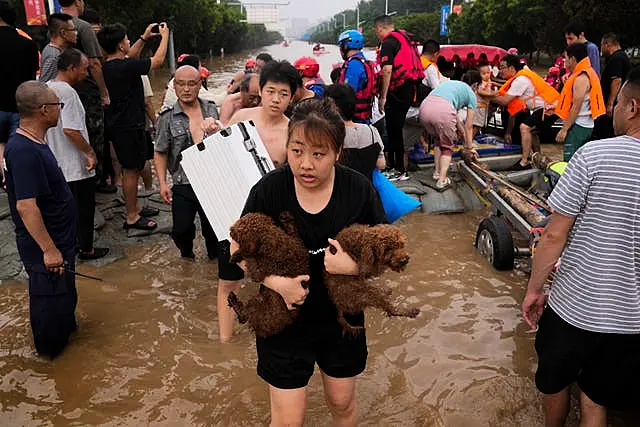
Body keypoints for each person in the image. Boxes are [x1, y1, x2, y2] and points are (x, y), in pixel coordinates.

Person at [230, 98, 387, 425]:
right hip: (282, 319)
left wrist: (354, 267)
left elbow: (385, 253)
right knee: (288, 420)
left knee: (342, 404)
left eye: (319, 154)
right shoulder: (269, 190)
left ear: (337, 153)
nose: (306, 164)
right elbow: (236, 249)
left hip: (342, 319)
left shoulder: (357, 190)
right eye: (297, 150)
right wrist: (276, 284)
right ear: (286, 145)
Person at [522, 66, 640, 427]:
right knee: (595, 398)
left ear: (632, 107)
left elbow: (554, 235)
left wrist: (534, 289)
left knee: (555, 382)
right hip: (629, 321)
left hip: (575, 309)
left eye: (617, 103)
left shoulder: (592, 156)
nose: (613, 109)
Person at [218, 60, 298, 343]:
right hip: (234, 213)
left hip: (271, 221)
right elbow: (219, 157)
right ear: (260, 91)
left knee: (274, 282)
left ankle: (272, 335)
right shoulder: (241, 118)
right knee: (229, 279)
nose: (276, 99)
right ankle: (225, 343)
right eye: (271, 91)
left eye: (284, 94)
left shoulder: (293, 132)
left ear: (292, 96)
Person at [4, 81, 79, 358]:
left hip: (59, 241)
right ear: (43, 110)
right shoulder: (23, 150)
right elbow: (26, 206)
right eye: (58, 105)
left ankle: (68, 347)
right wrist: (49, 250)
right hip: (46, 249)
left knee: (64, 305)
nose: (60, 110)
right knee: (49, 311)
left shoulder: (34, 142)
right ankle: (52, 362)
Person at [98, 22, 169, 232]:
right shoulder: (125, 67)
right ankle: (131, 216)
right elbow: (158, 60)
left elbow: (131, 56)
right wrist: (165, 36)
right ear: (121, 46)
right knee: (130, 171)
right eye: (127, 40)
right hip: (128, 126)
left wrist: (144, 37)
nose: (130, 42)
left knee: (135, 167)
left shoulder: (110, 66)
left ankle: (135, 206)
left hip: (122, 125)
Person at [46, 48, 109, 261]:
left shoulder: (46, 89)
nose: (86, 74)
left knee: (63, 212)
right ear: (72, 68)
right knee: (83, 210)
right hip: (75, 165)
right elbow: (71, 130)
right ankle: (87, 249)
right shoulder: (68, 93)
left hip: (55, 163)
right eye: (84, 69)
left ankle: (68, 247)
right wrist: (90, 152)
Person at [155, 66, 220, 260]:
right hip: (183, 182)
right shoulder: (166, 118)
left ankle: (214, 267)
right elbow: (160, 151)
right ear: (174, 87)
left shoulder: (211, 109)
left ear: (200, 85)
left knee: (214, 233)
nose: (186, 89)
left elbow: (223, 143)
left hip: (211, 183)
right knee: (181, 230)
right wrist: (162, 183)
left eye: (191, 84)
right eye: (181, 84)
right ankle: (187, 255)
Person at [59, 0, 113, 194]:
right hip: (87, 91)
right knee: (94, 134)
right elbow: (94, 63)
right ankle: (95, 182)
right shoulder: (83, 27)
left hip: (62, 90)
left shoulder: (53, 25)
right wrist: (104, 92)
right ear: (78, 2)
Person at [374, 15, 424, 182]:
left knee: (394, 130)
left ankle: (398, 170)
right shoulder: (403, 39)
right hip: (408, 90)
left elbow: (387, 70)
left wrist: (383, 96)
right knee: (396, 130)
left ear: (380, 28)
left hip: (397, 92)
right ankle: (397, 168)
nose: (378, 34)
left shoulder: (388, 43)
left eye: (377, 31)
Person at [492, 55, 560, 170]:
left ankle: (524, 162)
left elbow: (504, 101)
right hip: (549, 107)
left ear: (512, 68)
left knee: (525, 127)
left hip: (551, 108)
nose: (500, 71)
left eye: (503, 67)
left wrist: (485, 96)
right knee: (532, 131)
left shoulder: (520, 80)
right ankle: (537, 157)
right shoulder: (520, 76)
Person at [0, 0, 40, 186]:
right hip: (20, 105)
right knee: (19, 146)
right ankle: (17, 180)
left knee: (1, 145)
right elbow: (32, 76)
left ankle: (5, 178)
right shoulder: (28, 44)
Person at [419, 72, 481, 190]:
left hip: (424, 109)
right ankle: (442, 180)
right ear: (475, 85)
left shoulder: (452, 84)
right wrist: (469, 147)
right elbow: (469, 125)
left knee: (439, 141)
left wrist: (461, 133)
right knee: (447, 146)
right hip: (442, 111)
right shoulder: (471, 94)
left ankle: (437, 173)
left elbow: (455, 117)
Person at [555, 43, 605, 161]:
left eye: (565, 58)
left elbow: (576, 107)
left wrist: (564, 129)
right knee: (579, 159)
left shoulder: (581, 78)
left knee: (570, 160)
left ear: (572, 59)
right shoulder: (586, 72)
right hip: (585, 125)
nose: (564, 61)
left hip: (579, 126)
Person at [325, 84, 385, 180]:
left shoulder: (328, 135)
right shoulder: (371, 131)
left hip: (337, 189)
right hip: (366, 189)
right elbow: (381, 164)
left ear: (333, 107)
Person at [337, 30, 379, 125]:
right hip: (365, 117)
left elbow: (346, 94)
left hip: (355, 119)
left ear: (346, 46)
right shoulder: (365, 61)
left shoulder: (353, 65)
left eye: (341, 46)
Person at [595, 33, 631, 140]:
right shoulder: (621, 56)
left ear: (607, 44)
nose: (601, 49)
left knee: (607, 132)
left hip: (614, 103)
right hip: (616, 102)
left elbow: (617, 80)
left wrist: (610, 103)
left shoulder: (617, 58)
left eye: (601, 45)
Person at [39, 13, 77, 83]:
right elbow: (45, 85)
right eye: (73, 30)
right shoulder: (54, 56)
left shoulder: (52, 50)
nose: (76, 33)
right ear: (63, 33)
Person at [473, 62, 497, 133]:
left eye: (488, 73)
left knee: (478, 125)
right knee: (477, 125)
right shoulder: (481, 83)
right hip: (479, 107)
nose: (486, 75)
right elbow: (480, 91)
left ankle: (470, 139)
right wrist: (492, 94)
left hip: (483, 107)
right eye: (484, 74)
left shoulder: (487, 82)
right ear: (479, 75)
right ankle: (469, 140)